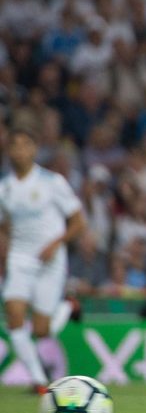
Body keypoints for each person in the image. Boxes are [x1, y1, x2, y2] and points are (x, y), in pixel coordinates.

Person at [1, 121, 87, 394]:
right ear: (8, 150)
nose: (20, 151)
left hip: (50, 260)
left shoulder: (53, 182)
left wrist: (56, 243)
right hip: (20, 258)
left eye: (26, 145)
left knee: (41, 330)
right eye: (15, 145)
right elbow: (4, 227)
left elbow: (78, 222)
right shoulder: (4, 188)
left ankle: (68, 306)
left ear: (35, 150)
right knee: (14, 317)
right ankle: (39, 381)